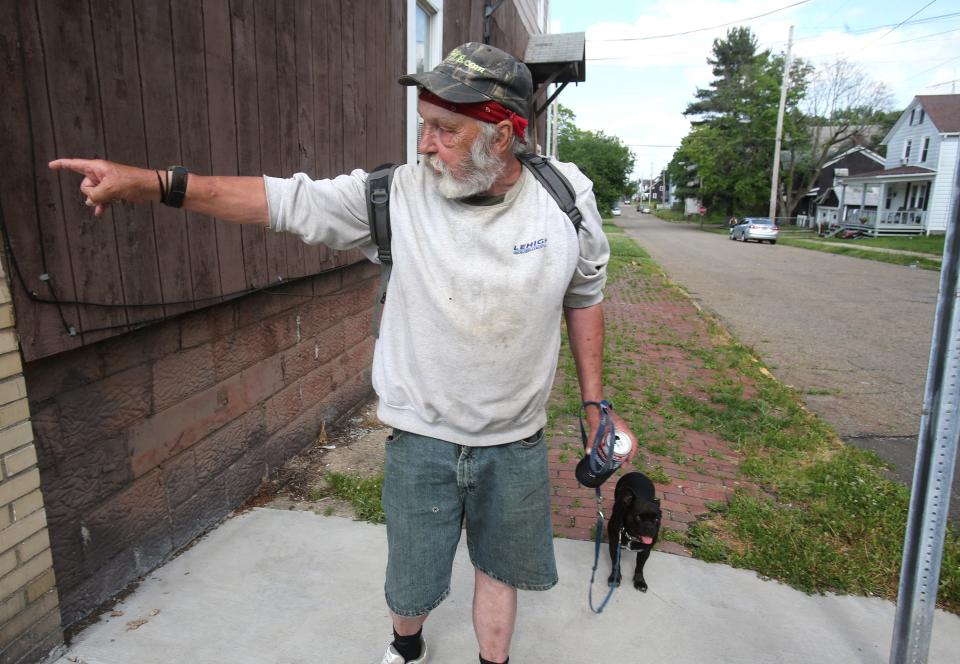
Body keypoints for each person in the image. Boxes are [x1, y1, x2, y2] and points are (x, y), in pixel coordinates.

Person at [50, 41, 635, 664]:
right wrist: (152, 184)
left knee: (499, 571)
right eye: (423, 126)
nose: (424, 145)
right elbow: (280, 201)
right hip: (421, 436)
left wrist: (595, 402)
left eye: (444, 130)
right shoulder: (395, 196)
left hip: (517, 440)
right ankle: (406, 649)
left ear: (503, 134)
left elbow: (584, 295)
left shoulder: (564, 199)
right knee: (411, 580)